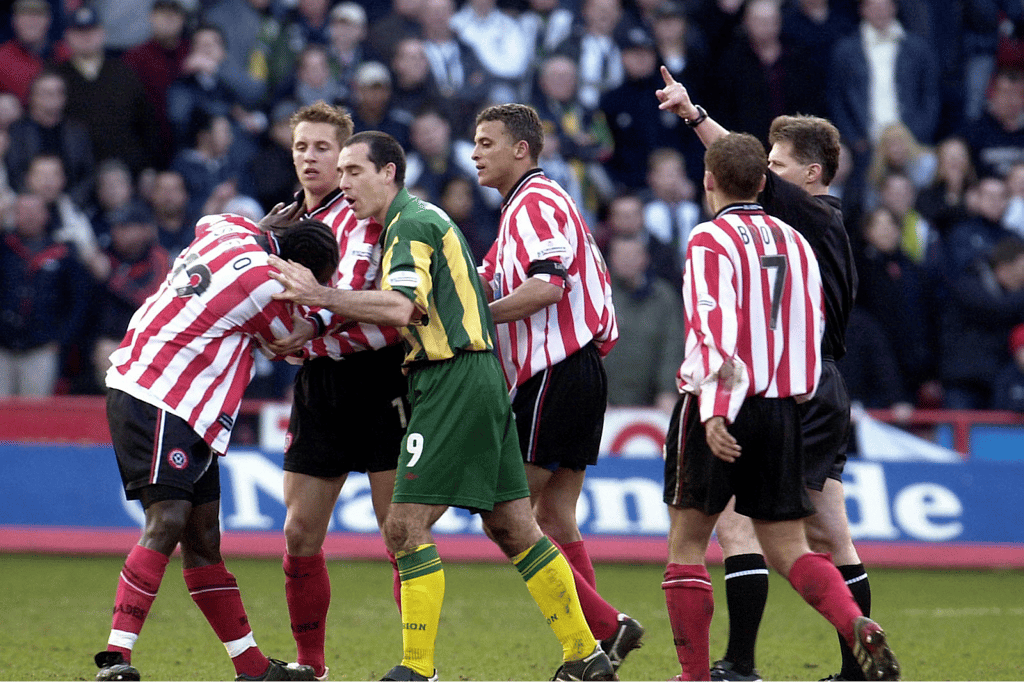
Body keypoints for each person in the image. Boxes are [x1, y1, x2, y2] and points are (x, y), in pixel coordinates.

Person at [268, 130, 619, 682]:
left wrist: (320, 296)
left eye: (353, 172)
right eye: (342, 175)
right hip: (476, 376)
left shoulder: (409, 226)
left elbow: (403, 307)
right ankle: (587, 654)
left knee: (404, 526)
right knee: (513, 526)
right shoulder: (413, 223)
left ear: (389, 173)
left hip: (449, 378)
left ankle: (417, 669)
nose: (344, 184)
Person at [656, 69, 884, 682]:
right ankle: (847, 651)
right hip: (804, 386)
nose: (773, 175)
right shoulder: (803, 233)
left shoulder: (800, 217)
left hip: (749, 386)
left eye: (782, 165)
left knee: (724, 531)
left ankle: (721, 667)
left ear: (810, 175)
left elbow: (713, 326)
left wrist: (714, 406)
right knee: (818, 536)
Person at [92, 213, 340, 682]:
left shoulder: (228, 229)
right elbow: (286, 342)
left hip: (185, 405)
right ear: (297, 269)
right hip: (163, 394)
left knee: (204, 539)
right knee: (167, 519)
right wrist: (324, 301)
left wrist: (266, 227)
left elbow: (207, 219)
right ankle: (115, 658)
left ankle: (252, 669)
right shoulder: (266, 284)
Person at [472, 103, 644, 671]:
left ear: (521, 149)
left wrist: (476, 317)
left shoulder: (536, 202)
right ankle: (598, 649)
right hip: (578, 370)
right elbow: (497, 277)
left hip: (555, 371)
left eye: (486, 142)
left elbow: (547, 286)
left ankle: (605, 629)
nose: (475, 153)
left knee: (505, 513)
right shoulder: (526, 207)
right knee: (555, 517)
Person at [264, 101, 409, 682]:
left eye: (323, 148)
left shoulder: (364, 214)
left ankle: (416, 664)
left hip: (380, 377)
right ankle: (311, 666)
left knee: (399, 532)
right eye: (302, 147)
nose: (311, 158)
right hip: (319, 382)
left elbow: (359, 297)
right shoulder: (283, 220)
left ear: (345, 155)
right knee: (300, 531)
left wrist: (309, 325)